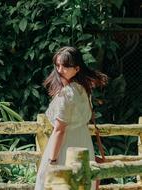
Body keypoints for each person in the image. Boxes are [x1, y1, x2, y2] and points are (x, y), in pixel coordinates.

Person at [34, 46, 108, 190]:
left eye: (66, 66)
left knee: (54, 184)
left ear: (77, 68)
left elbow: (59, 130)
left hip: (65, 148)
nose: (60, 70)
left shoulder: (66, 94)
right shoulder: (83, 90)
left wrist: (52, 160)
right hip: (84, 144)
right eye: (58, 65)